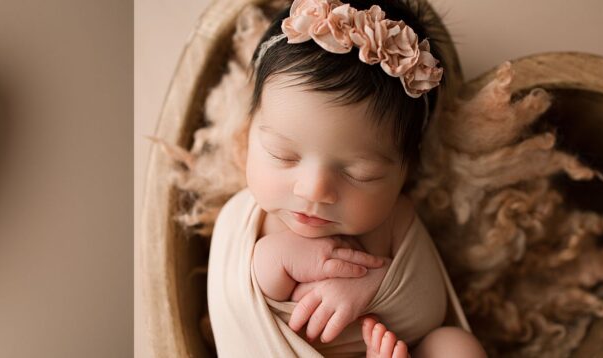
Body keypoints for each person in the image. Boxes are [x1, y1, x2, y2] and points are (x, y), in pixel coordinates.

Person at [207, 0, 487, 356]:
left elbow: (430, 308)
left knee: (454, 346)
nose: (314, 190)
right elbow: (233, 301)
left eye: (360, 173)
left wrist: (372, 286)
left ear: (406, 172)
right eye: (283, 155)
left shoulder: (394, 220)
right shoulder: (248, 219)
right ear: (247, 134)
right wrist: (271, 261)